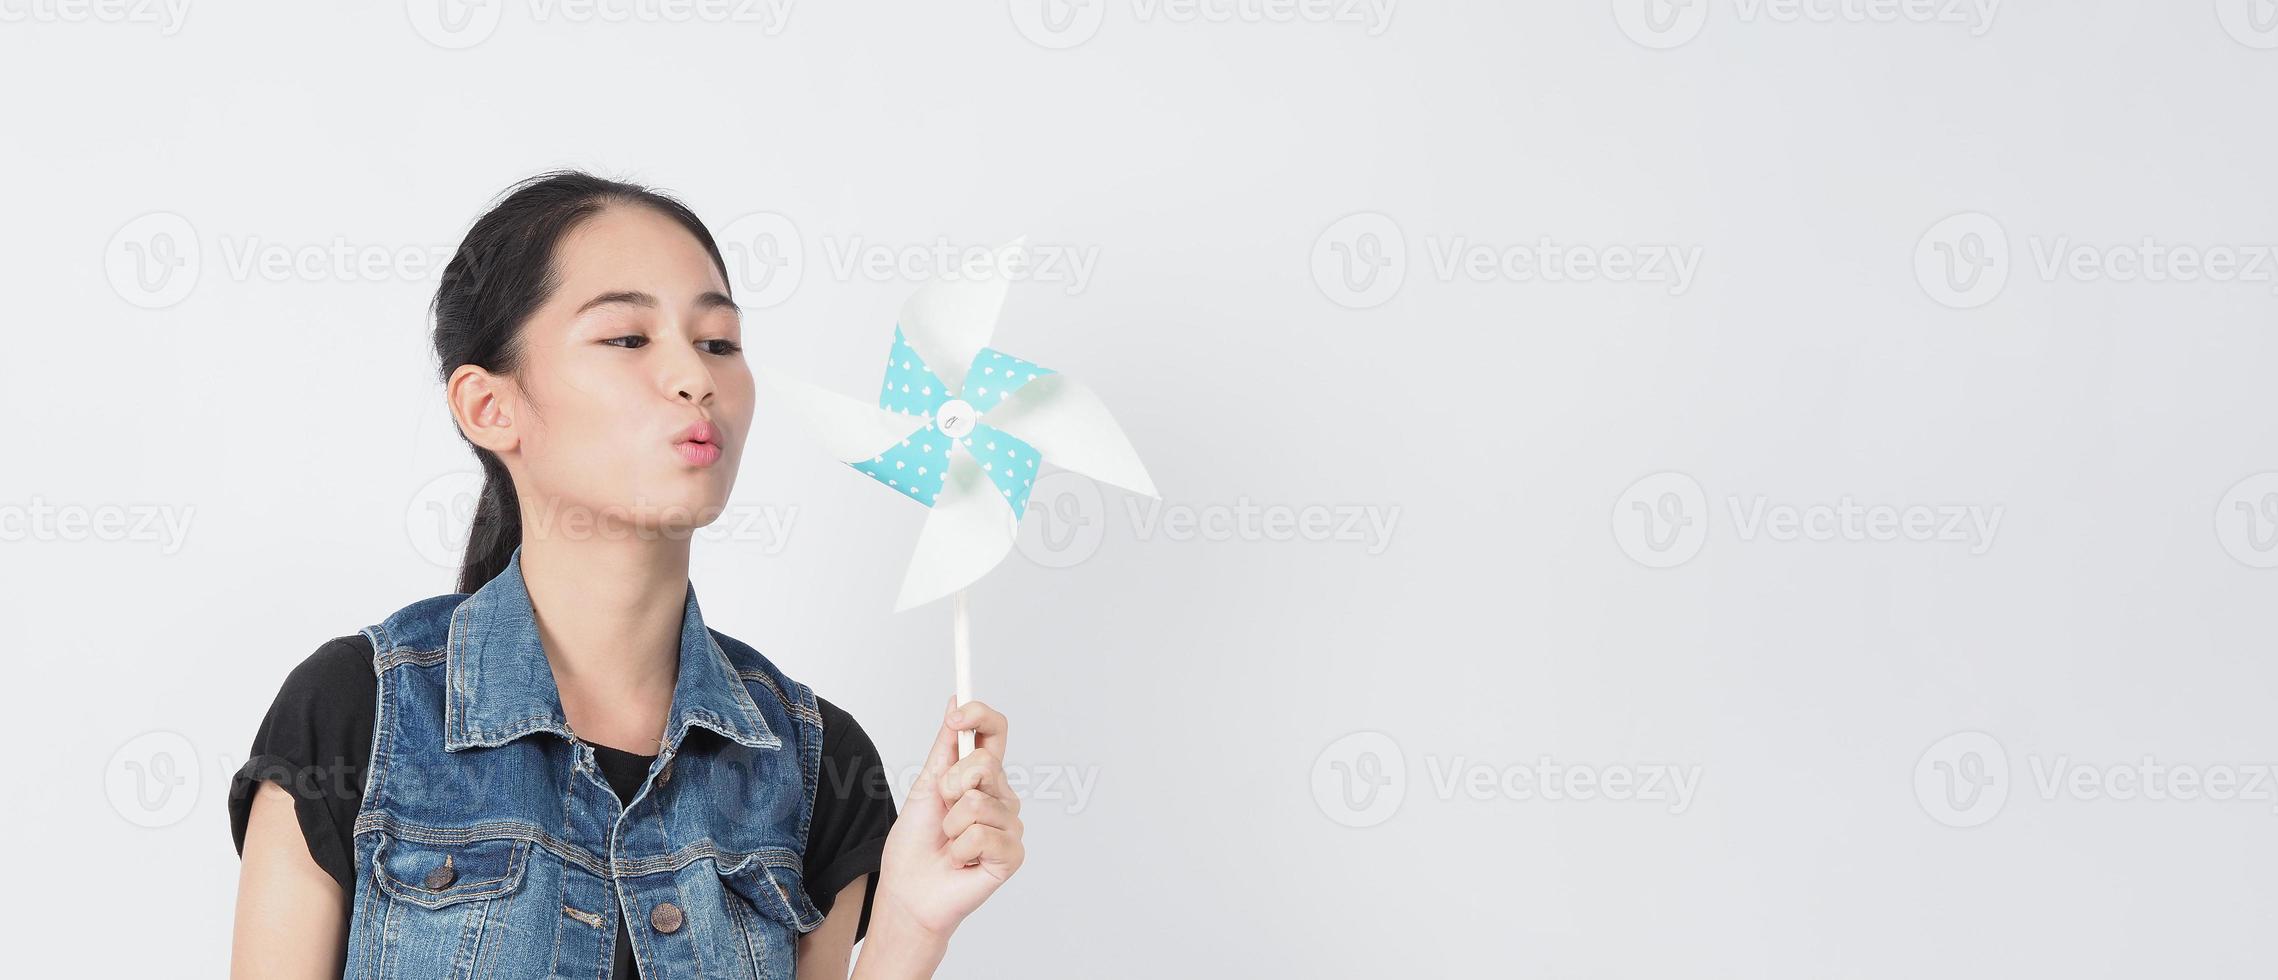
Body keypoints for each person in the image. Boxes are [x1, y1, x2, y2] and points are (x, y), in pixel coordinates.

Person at [226, 171, 1025, 979]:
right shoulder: (355, 713)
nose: (696, 377)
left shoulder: (815, 763)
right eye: (628, 338)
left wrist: (909, 930)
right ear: (489, 406)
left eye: (718, 342)